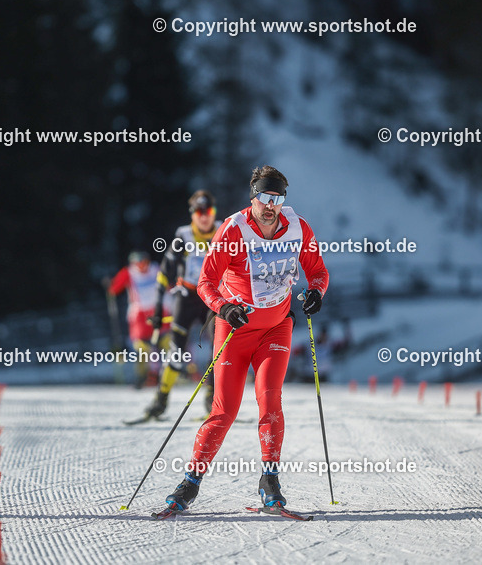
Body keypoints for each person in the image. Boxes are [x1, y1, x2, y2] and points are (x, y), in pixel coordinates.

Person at [163, 166, 329, 511]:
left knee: (270, 401)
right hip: (235, 330)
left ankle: (270, 480)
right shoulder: (233, 230)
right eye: (265, 198)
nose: (272, 205)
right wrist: (223, 308)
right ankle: (190, 483)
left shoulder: (298, 227)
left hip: (276, 327)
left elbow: (317, 270)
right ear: (253, 198)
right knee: (224, 409)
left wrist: (316, 291)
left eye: (278, 198)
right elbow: (205, 282)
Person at [139, 190, 222, 421]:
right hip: (186, 297)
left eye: (208, 212)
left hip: (213, 298)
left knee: (219, 351)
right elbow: (165, 273)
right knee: (176, 354)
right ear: (192, 214)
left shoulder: (225, 231)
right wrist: (157, 307)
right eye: (199, 212)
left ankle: (212, 399)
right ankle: (160, 400)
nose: (204, 217)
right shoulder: (183, 235)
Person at [106, 251, 160, 388]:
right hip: (138, 314)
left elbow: (169, 282)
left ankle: (157, 375)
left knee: (160, 343)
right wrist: (110, 285)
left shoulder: (156, 269)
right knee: (142, 347)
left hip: (157, 311)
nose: (141, 267)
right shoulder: (129, 272)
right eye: (138, 264)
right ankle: (142, 376)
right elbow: (114, 289)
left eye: (144, 263)